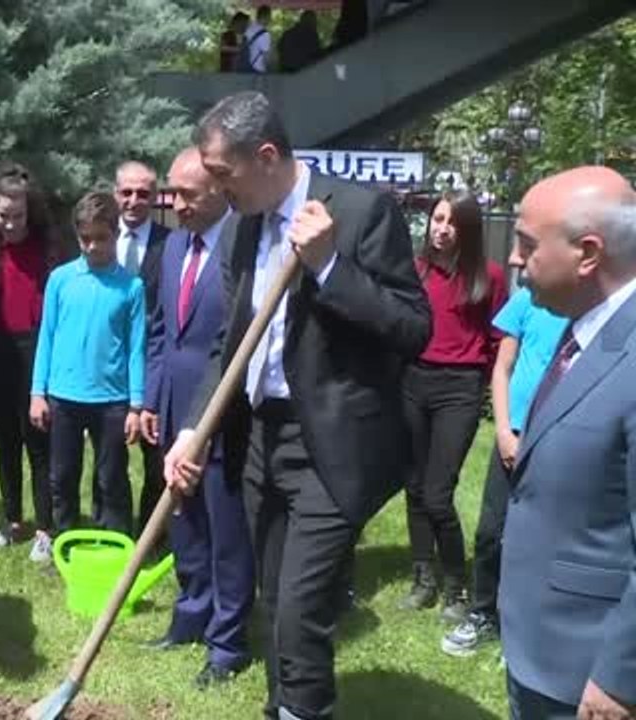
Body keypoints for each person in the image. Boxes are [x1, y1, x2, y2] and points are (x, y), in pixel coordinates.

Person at [165, 91, 430, 720]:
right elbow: (227, 347)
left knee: (302, 608)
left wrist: (330, 268)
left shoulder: (362, 211)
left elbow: (413, 328)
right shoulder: (243, 226)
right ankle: (284, 707)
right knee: (274, 600)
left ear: (264, 156)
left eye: (223, 174)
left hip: (330, 446)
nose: (215, 187)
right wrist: (193, 429)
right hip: (261, 438)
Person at [498, 166, 636, 720]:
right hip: (544, 652)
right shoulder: (583, 329)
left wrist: (622, 679)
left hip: (593, 678)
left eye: (526, 245)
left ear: (587, 254)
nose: (513, 259)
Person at [142, 147, 253, 685]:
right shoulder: (170, 250)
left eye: (187, 194)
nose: (174, 204)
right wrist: (149, 399)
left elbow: (239, 348)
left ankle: (227, 645)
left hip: (224, 416)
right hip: (172, 405)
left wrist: (209, 420)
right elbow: (161, 331)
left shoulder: (246, 248)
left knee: (226, 529)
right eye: (172, 192)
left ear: (219, 191)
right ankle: (190, 615)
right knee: (185, 524)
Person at [440, 274, 566, 658]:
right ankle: (483, 613)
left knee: (548, 537)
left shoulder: (592, 307)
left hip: (560, 436)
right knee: (491, 532)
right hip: (513, 433)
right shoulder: (530, 297)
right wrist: (503, 432)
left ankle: (533, 627)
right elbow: (502, 367)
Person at [399, 193, 507, 621]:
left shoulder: (490, 276)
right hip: (412, 381)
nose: (440, 228)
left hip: (458, 389)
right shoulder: (416, 270)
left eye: (451, 222)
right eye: (436, 219)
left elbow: (500, 340)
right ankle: (422, 577)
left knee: (438, 494)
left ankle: (455, 586)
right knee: (413, 486)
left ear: (468, 230)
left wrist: (484, 384)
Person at [31, 192, 145, 538]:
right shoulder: (61, 280)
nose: (93, 246)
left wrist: (136, 405)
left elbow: (136, 348)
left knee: (111, 475)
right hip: (64, 395)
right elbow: (46, 337)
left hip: (112, 399)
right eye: (86, 239)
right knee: (62, 474)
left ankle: (115, 539)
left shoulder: (132, 286)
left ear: (116, 234)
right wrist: (38, 391)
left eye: (102, 238)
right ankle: (63, 536)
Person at [0, 170, 58, 559]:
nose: (9, 223)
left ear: (31, 213)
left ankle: (45, 527)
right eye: (2, 215)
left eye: (17, 216)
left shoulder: (47, 252)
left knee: (38, 444)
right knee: (6, 442)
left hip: (35, 352)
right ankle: (12, 521)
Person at [113, 161, 172, 534]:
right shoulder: (93, 241)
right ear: (115, 193)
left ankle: (152, 532)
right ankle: (112, 531)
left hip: (155, 364)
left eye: (144, 193)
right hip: (109, 366)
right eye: (127, 192)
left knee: (156, 457)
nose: (134, 200)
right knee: (109, 459)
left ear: (155, 196)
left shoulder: (173, 244)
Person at [237, 5, 273, 73]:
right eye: (270, 16)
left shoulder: (249, 29)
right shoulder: (265, 34)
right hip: (258, 70)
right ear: (266, 16)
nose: (270, 19)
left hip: (245, 68)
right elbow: (266, 58)